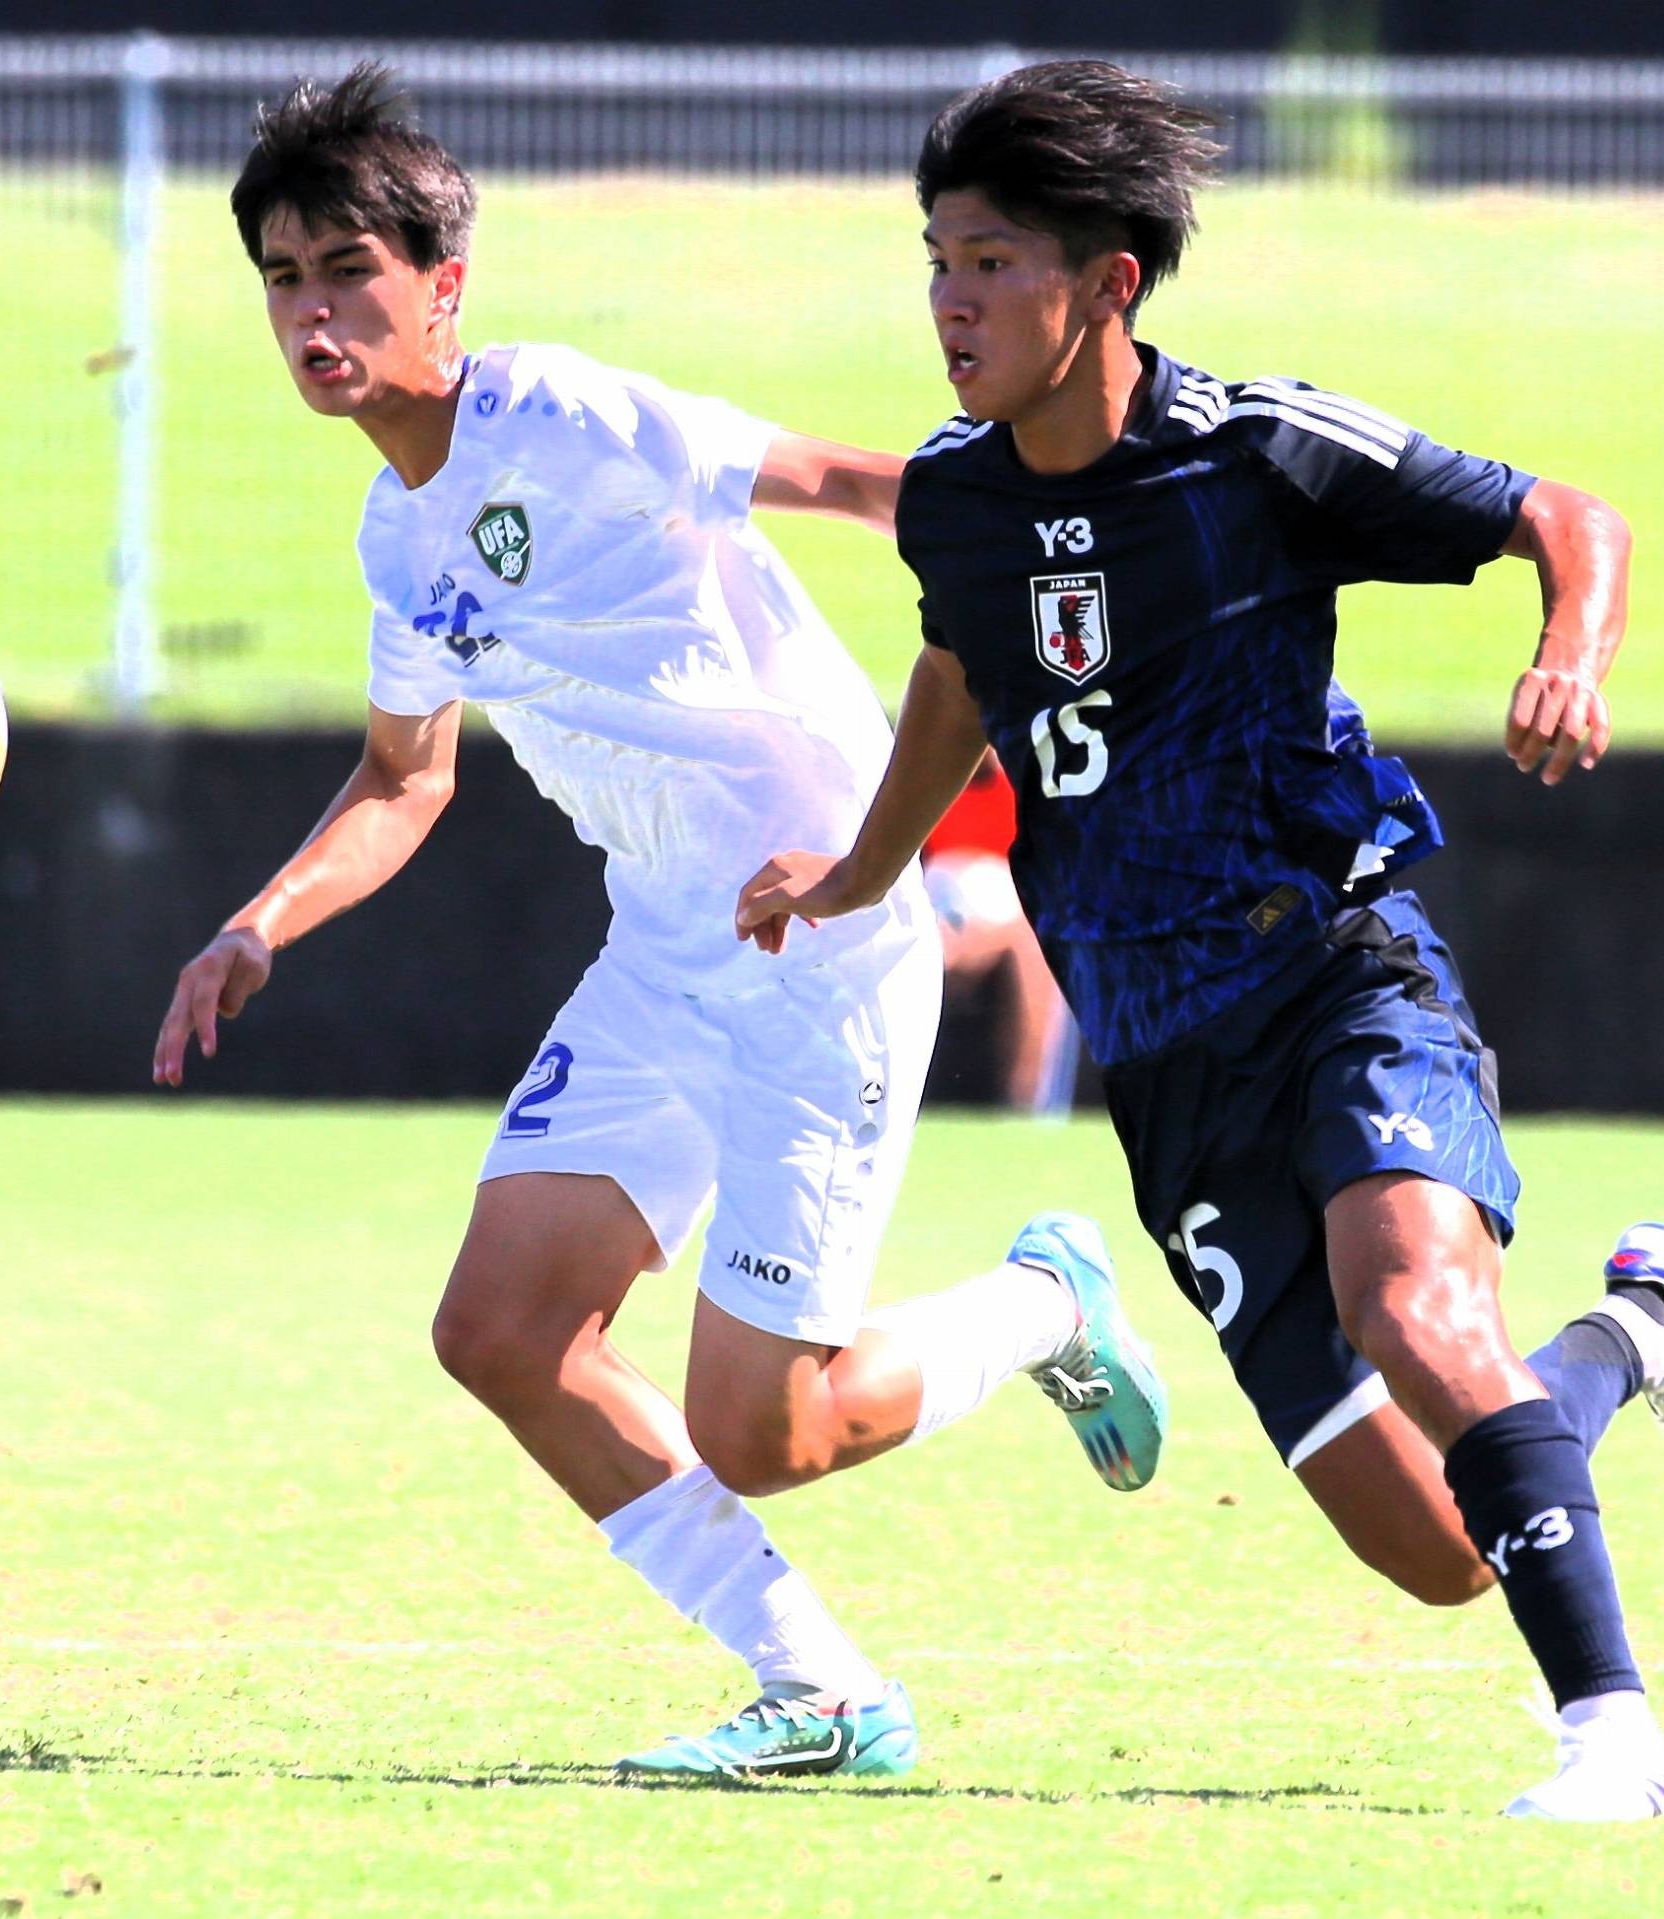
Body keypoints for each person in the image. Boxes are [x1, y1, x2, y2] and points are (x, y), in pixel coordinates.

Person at [736, 60, 1664, 1820]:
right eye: (937, 260)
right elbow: (966, 674)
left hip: (1338, 971)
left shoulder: (1255, 449)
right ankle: (1635, 1330)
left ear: (1108, 282)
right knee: (1444, 1547)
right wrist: (858, 867)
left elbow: (1563, 515)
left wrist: (1569, 651)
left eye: (992, 261)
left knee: (1421, 1306)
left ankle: (1617, 1734)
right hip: (1167, 1066)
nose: (953, 301)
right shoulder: (955, 499)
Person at [149, 64, 1168, 1781]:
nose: (313, 314)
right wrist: (257, 922)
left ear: (443, 285)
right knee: (499, 1331)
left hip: (824, 931)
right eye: (281, 278)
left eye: (349, 271)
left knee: (774, 1424)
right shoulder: (394, 542)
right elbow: (405, 780)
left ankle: (1046, 1306)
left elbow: (854, 481)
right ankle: (824, 1691)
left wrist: (1079, 556)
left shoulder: (566, 413)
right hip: (662, 950)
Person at [922, 752, 1075, 1110]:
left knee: (1038, 959)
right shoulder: (928, 788)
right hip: (941, 923)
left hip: (1011, 925)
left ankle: (1028, 1104)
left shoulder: (1027, 792)